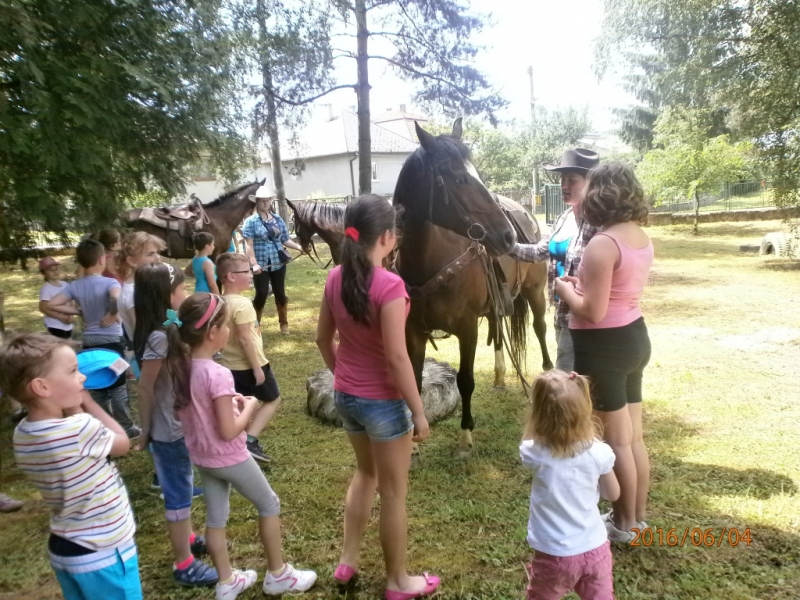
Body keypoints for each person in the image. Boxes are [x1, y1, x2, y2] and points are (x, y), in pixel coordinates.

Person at [315, 195, 439, 600]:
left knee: (364, 474)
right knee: (394, 493)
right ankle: (397, 582)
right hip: (383, 405)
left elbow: (322, 339)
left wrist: (344, 377)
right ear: (387, 236)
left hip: (346, 397)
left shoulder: (335, 276)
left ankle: (348, 560)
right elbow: (396, 356)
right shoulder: (390, 285)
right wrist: (419, 412)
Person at [166, 293, 317, 599]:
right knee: (268, 504)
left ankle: (227, 582)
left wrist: (230, 402)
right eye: (226, 326)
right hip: (230, 456)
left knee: (215, 519)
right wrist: (248, 406)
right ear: (212, 333)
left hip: (203, 458)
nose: (230, 331)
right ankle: (278, 575)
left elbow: (190, 411)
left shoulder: (181, 368)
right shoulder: (219, 374)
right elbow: (228, 429)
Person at [554, 162, 653, 544]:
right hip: (633, 337)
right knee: (634, 437)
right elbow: (616, 289)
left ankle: (624, 525)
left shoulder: (602, 242)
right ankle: (637, 515)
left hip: (604, 346)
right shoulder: (639, 237)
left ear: (601, 193)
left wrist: (566, 291)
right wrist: (585, 284)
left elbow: (592, 311)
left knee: (616, 442)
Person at [0, 333, 142, 599]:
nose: (83, 378)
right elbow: (121, 443)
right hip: (103, 549)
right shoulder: (79, 428)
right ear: (42, 387)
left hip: (67, 546)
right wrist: (85, 404)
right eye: (73, 371)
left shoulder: (24, 432)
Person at [132, 263, 218, 587]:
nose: (185, 294)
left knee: (183, 484)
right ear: (167, 296)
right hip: (168, 430)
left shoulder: (168, 326)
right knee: (178, 494)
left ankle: (190, 537)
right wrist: (146, 432)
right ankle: (184, 564)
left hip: (179, 424)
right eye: (181, 290)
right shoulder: (158, 336)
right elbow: (145, 387)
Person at [520, 370, 619, 600]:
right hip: (596, 550)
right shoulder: (599, 453)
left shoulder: (534, 453)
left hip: (554, 555)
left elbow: (529, 447)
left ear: (538, 415)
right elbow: (613, 493)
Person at [510, 148, 600, 371]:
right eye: (562, 179)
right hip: (562, 312)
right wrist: (505, 247)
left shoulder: (599, 222)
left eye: (572, 180)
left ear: (591, 183)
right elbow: (539, 252)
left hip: (585, 318)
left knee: (567, 383)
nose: (564, 185)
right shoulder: (564, 218)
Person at [47, 239, 140, 438]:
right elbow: (116, 297)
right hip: (112, 343)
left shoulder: (75, 285)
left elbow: (52, 304)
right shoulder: (110, 282)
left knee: (97, 387)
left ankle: (104, 426)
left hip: (89, 342)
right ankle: (127, 428)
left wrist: (79, 311)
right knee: (118, 387)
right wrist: (112, 313)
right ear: (101, 260)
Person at [216, 252, 282, 465]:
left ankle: (240, 448)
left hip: (229, 365)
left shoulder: (219, 301)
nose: (252, 274)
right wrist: (257, 368)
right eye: (246, 271)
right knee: (273, 399)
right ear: (231, 276)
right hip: (251, 364)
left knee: (241, 405)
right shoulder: (243, 304)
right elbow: (246, 340)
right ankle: (250, 441)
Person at [242, 184, 302, 334]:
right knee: (261, 293)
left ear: (270, 201)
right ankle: (256, 325)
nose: (265, 203)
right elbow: (248, 245)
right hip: (260, 264)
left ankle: (284, 324)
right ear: (256, 202)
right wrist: (253, 263)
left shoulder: (278, 220)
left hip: (278, 262)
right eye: (262, 200)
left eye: (267, 200)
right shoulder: (250, 222)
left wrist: (299, 248)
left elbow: (285, 240)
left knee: (280, 292)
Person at [117, 231, 166, 343]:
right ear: (132, 261)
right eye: (150, 254)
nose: (157, 257)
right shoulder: (133, 293)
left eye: (157, 252)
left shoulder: (144, 285)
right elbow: (141, 335)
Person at [37, 257, 74, 339]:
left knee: (68, 344)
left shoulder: (65, 285)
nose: (55, 272)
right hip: (55, 324)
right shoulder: (46, 289)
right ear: (43, 273)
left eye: (56, 269)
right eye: (51, 270)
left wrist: (71, 315)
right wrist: (61, 317)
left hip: (67, 324)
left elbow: (71, 301)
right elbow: (43, 308)